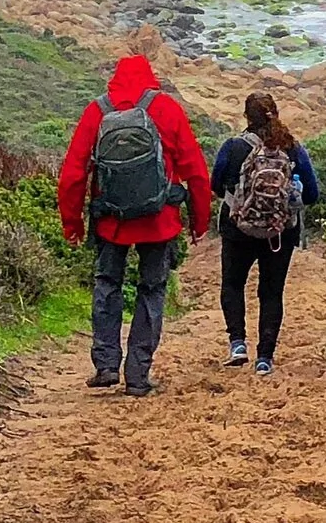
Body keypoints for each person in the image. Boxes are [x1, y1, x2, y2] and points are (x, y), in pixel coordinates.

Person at [56, 51, 211, 397]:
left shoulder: (97, 111)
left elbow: (72, 175)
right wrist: (199, 221)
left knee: (107, 284)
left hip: (111, 221)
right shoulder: (167, 109)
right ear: (150, 77)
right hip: (159, 221)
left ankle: (107, 364)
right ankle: (138, 374)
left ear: (115, 79)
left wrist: (73, 223)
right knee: (151, 290)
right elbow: (197, 172)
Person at [212, 88, 322, 377]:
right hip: (279, 233)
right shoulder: (293, 149)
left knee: (233, 285)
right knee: (271, 292)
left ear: (246, 116)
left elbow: (215, 185)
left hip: (238, 229)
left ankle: (237, 344)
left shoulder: (233, 147)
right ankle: (265, 358)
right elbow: (312, 193)